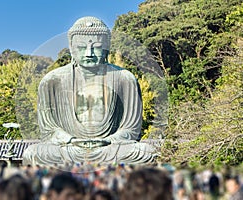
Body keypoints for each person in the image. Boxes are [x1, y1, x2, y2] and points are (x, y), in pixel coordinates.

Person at [23, 16, 157, 166]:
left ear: (106, 48)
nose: (89, 53)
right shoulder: (52, 80)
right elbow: (49, 130)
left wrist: (108, 140)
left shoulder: (125, 79)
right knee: (33, 153)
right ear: (71, 49)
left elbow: (131, 129)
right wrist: (71, 140)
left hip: (109, 148)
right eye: (81, 47)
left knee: (147, 152)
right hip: (70, 148)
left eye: (97, 47)